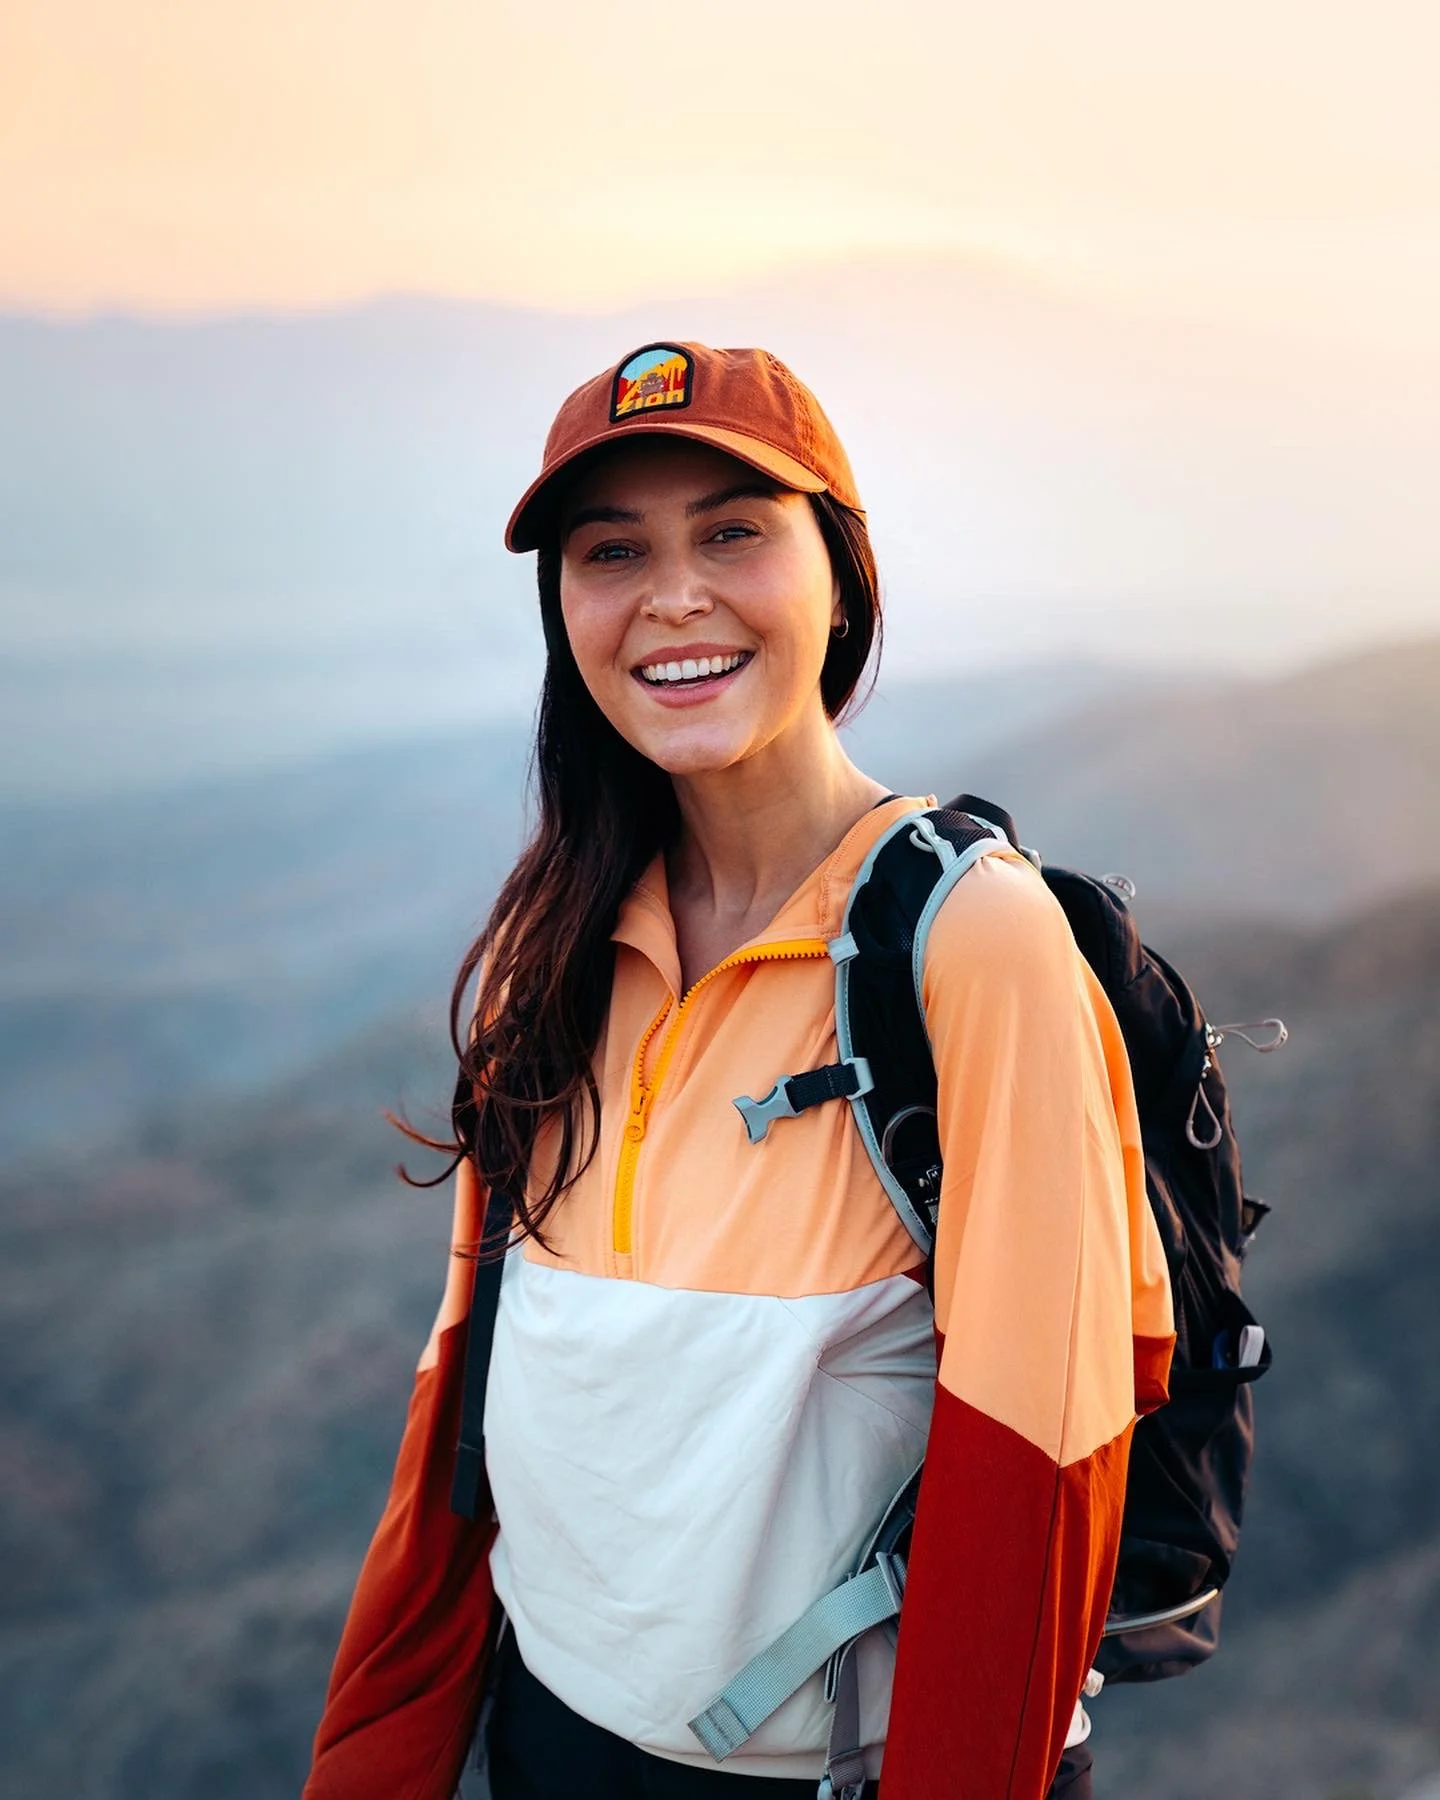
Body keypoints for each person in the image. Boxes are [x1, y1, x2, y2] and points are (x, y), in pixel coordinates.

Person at [304, 342, 1175, 1800]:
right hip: (549, 1739)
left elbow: (1046, 1461)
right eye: (611, 551)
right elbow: (465, 1412)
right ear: (563, 607)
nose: (673, 597)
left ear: (840, 573)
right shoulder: (555, 949)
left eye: (732, 531)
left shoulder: (969, 942)